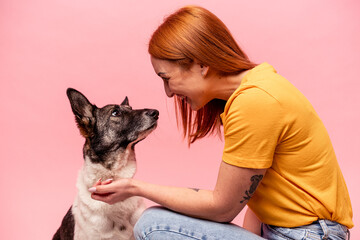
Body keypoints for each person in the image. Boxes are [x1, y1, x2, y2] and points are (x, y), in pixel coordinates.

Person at [89, 5, 353, 240]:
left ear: (201, 64)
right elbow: (257, 196)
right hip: (292, 230)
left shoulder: (255, 102)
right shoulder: (257, 85)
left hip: (309, 235)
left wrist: (136, 187)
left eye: (166, 78)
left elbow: (223, 208)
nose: (168, 93)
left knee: (153, 224)